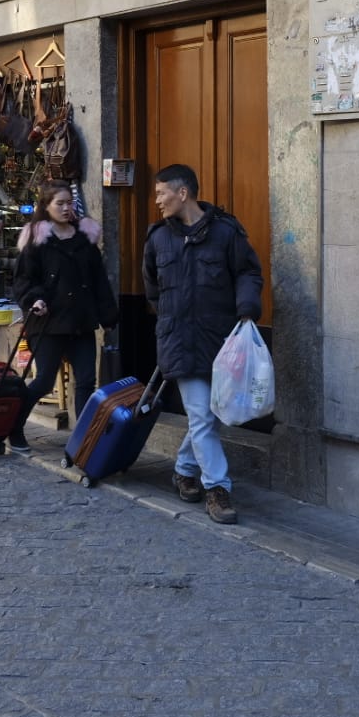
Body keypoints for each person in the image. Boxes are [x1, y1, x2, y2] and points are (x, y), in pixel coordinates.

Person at [142, 163, 263, 525]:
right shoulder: (157, 238)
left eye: (162, 193)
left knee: (209, 417)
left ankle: (182, 468)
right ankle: (217, 489)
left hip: (221, 341)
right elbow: (152, 289)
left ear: (183, 193)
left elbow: (248, 272)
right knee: (200, 416)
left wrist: (246, 308)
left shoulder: (226, 232)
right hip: (179, 341)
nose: (158, 200)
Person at [10, 180, 119, 452]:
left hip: (81, 321)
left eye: (69, 202)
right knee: (44, 379)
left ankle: (83, 440)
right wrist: (35, 299)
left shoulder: (84, 238)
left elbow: (99, 281)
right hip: (48, 322)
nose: (66, 208)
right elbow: (23, 279)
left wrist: (109, 316)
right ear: (46, 206)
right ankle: (14, 428)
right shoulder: (36, 239)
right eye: (59, 203)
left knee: (85, 381)